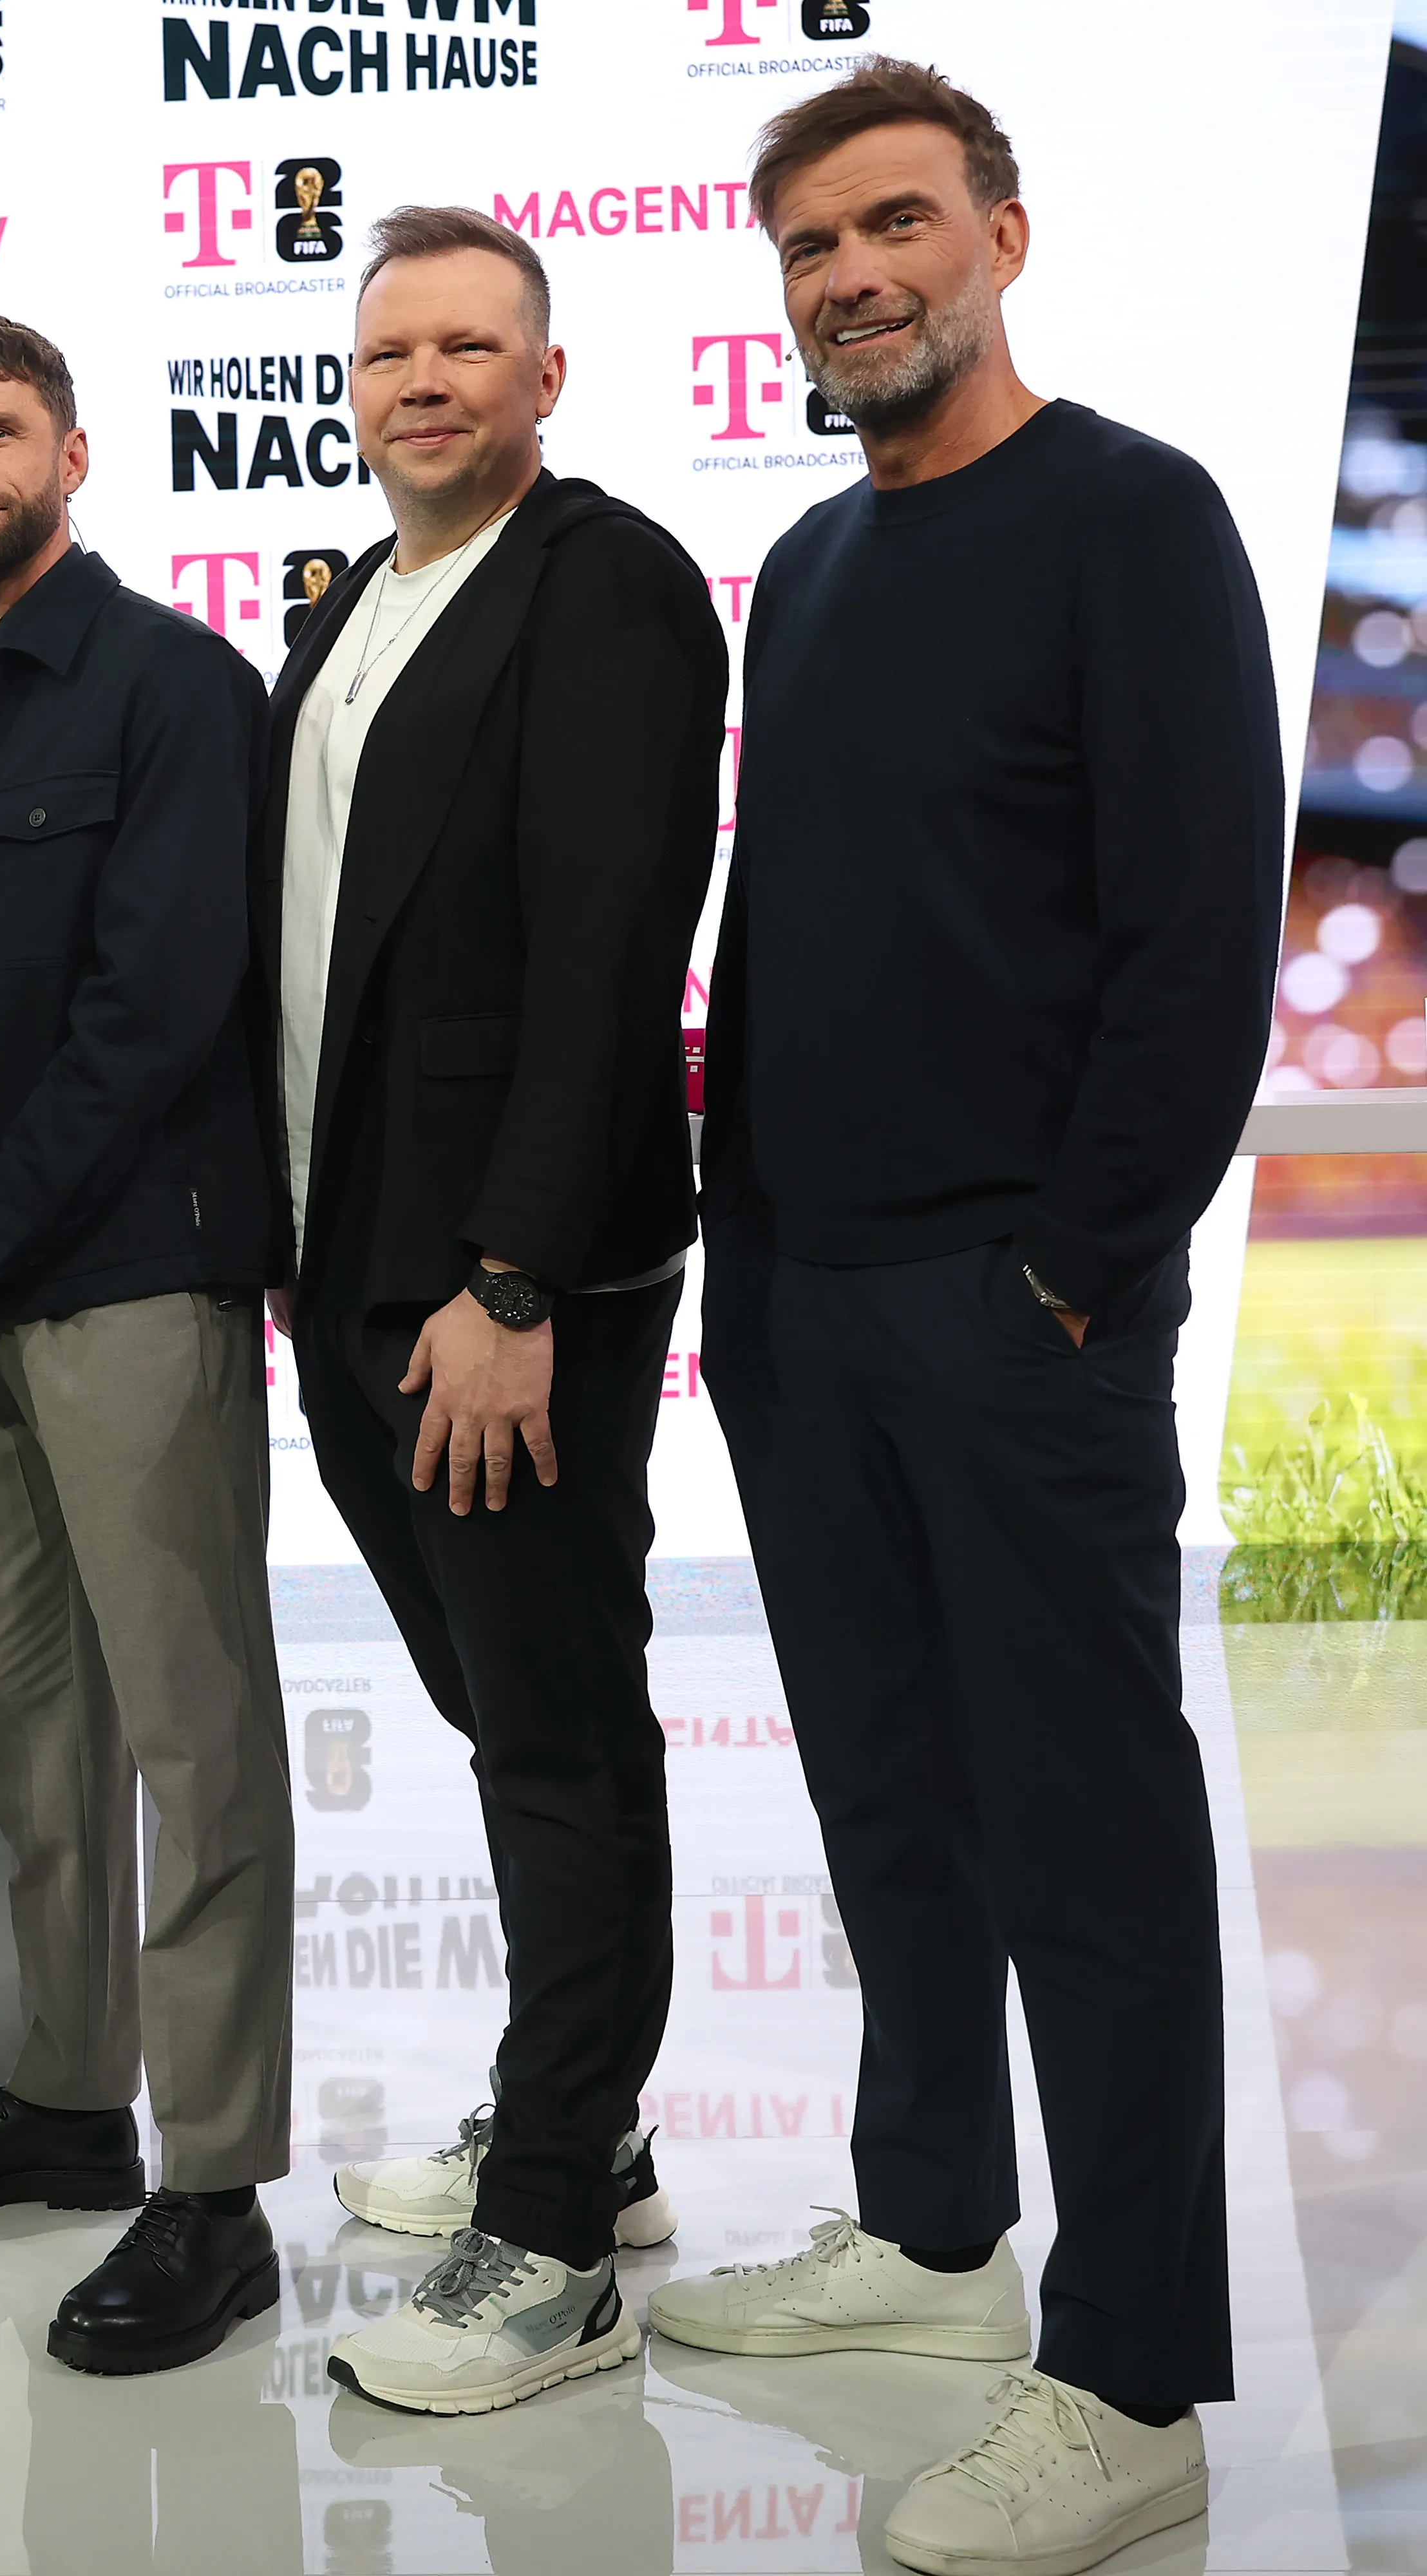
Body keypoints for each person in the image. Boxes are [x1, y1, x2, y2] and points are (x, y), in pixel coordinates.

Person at [672, 62, 1278, 2576]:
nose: (853, 278)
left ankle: (1133, 2376)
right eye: (812, 246)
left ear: (1002, 233)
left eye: (895, 224)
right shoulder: (810, 568)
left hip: (1011, 1311)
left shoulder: (1133, 520)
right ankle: (934, 2229)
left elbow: (1194, 946)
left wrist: (1073, 1269)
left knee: (1088, 1838)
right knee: (890, 1796)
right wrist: (743, 1273)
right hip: (802, 1307)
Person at [253, 208, 727, 2415]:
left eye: (468, 348)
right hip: (347, 1269)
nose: (422, 381)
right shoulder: (350, 606)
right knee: (493, 1702)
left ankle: (551, 2238)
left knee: (550, 1720)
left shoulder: (603, 581)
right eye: (388, 353)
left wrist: (514, 1280)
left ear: (548, 378)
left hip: (496, 1284)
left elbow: (613, 947)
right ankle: (591, 2125)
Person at [0, 314, 294, 2378]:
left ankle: (215, 2191)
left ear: (74, 452)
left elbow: (162, 1004)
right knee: (29, 1732)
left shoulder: (172, 685)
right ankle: (63, 2099)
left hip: (126, 1284)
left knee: (190, 1740)